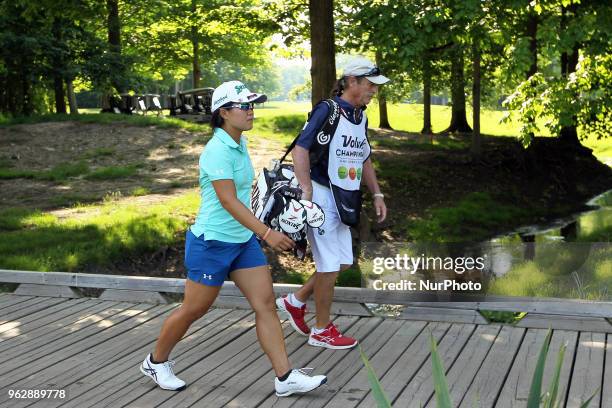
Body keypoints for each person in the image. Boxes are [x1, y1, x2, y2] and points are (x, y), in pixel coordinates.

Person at [140, 80, 327, 397]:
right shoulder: (216, 151)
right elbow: (227, 200)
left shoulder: (238, 144)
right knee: (194, 309)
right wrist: (266, 232)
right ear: (224, 112)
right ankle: (156, 361)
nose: (251, 111)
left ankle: (285, 377)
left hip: (242, 242)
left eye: (253, 105)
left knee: (265, 304)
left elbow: (245, 194)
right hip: (212, 244)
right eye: (245, 106)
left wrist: (274, 207)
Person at [276, 58, 389, 349]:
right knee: (328, 265)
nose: (374, 91)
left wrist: (376, 193)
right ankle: (321, 330)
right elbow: (301, 148)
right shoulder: (328, 109)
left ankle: (295, 301)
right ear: (352, 81)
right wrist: (306, 190)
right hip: (322, 195)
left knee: (343, 262)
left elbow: (364, 157)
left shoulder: (360, 116)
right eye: (370, 85)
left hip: (344, 198)